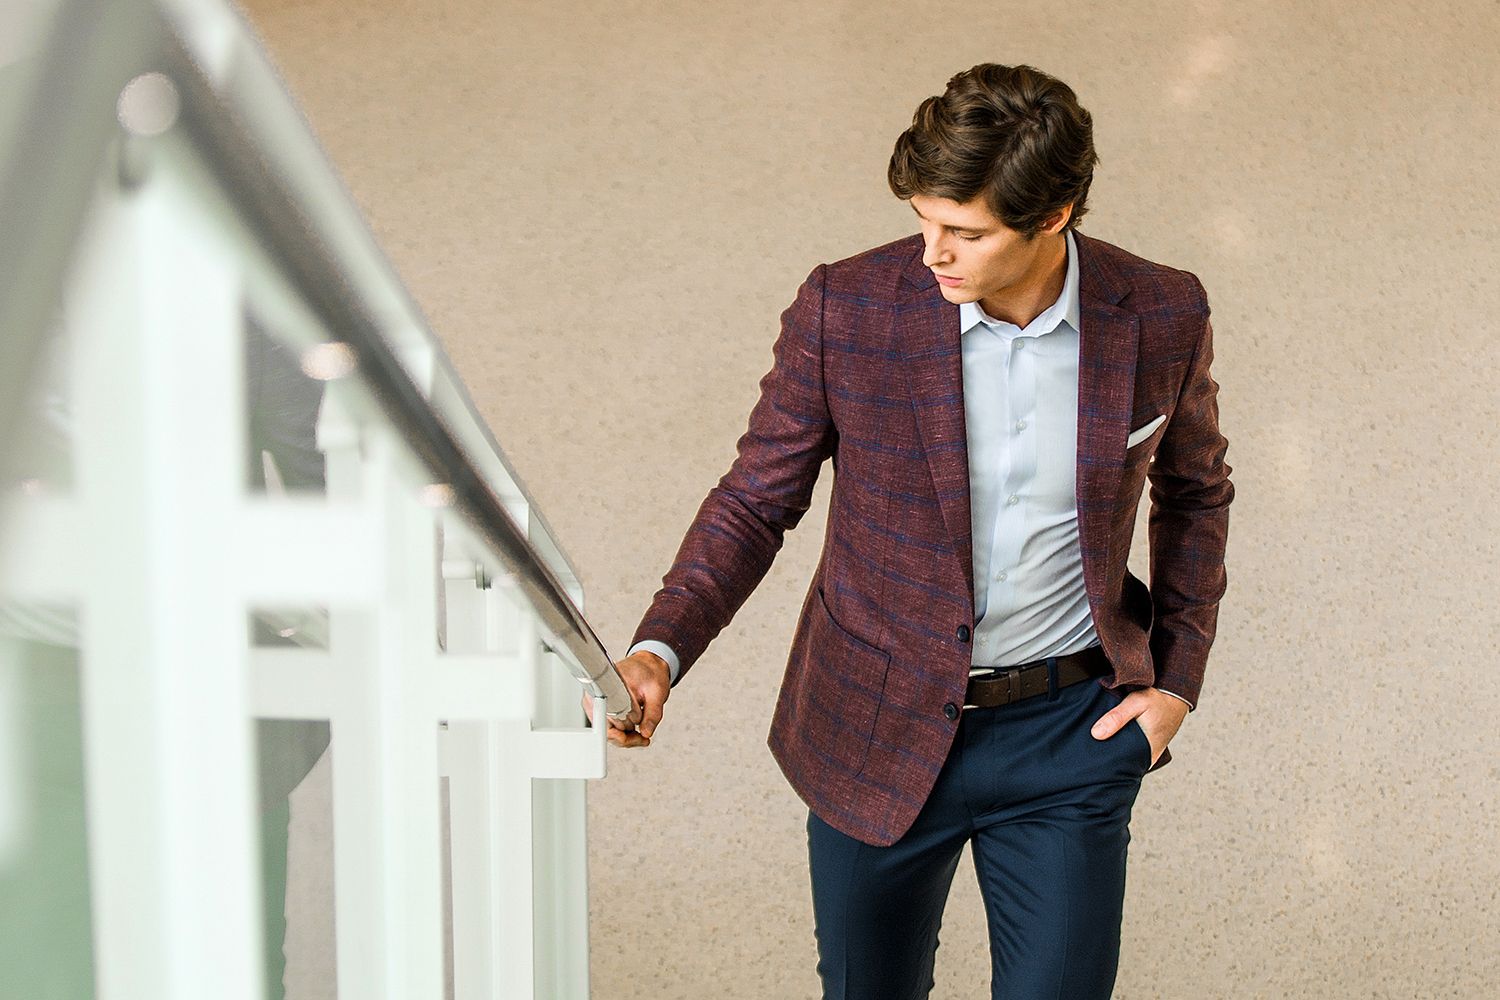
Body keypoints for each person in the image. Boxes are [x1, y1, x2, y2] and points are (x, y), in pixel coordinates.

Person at [603, 62, 1232, 999]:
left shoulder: (1162, 311)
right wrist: (661, 647)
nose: (931, 253)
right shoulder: (846, 308)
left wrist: (1178, 681)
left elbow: (1196, 492)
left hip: (1068, 728)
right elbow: (756, 496)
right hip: (871, 725)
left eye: (965, 233)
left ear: (1055, 215)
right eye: (923, 220)